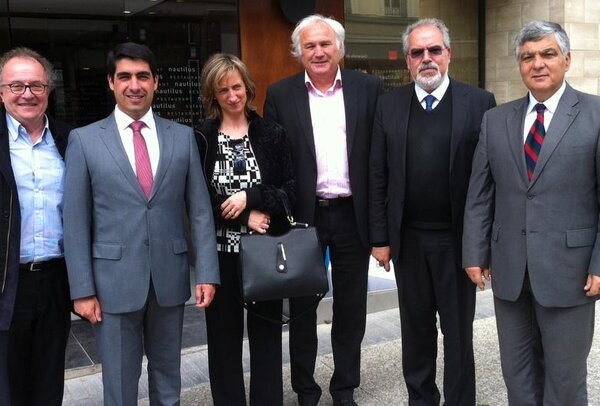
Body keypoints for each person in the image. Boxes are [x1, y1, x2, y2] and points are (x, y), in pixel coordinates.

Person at [63, 42, 219, 406]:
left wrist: (208, 272)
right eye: (125, 76)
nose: (134, 85)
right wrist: (81, 290)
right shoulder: (84, 140)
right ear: (111, 82)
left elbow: (199, 211)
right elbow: (75, 221)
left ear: (156, 82)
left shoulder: (182, 136)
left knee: (168, 378)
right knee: (120, 383)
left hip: (169, 278)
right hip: (112, 284)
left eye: (143, 76)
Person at [463, 20, 600, 405]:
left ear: (567, 60)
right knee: (517, 375)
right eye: (528, 57)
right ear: (519, 65)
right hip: (510, 271)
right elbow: (480, 193)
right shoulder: (495, 120)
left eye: (547, 54)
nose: (537, 63)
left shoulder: (595, 114)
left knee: (565, 381)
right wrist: (474, 252)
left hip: (570, 273)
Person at [369, 18, 496, 405]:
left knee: (458, 333)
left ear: (448, 54)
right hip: (408, 241)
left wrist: (483, 246)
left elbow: (490, 181)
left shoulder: (480, 103)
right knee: (416, 331)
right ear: (408, 60)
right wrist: (380, 238)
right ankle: (421, 399)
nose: (426, 58)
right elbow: (378, 175)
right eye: (417, 52)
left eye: (434, 50)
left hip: (458, 242)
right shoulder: (388, 105)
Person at [264, 14, 383, 406]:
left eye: (325, 43)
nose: (318, 51)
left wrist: (380, 226)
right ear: (299, 52)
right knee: (301, 309)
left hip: (352, 215)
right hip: (303, 219)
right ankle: (306, 390)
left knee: (351, 308)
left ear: (340, 48)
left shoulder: (369, 88)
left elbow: (379, 158)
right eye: (310, 45)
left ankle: (344, 388)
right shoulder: (281, 95)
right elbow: (274, 163)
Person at [195, 53, 295, 406]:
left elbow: (291, 190)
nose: (232, 95)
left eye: (236, 87)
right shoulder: (201, 137)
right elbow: (198, 200)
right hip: (219, 257)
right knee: (223, 343)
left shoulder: (271, 133)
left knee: (266, 339)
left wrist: (251, 198)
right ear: (213, 94)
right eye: (223, 90)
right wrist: (242, 216)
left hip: (263, 254)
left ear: (248, 88)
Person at [0, 47, 72, 406]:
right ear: (1, 92)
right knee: (7, 386)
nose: (26, 94)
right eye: (16, 85)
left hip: (55, 280)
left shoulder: (69, 140)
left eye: (36, 85)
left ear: (49, 90)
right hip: (6, 282)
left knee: (49, 383)